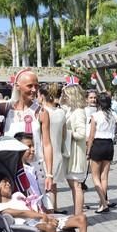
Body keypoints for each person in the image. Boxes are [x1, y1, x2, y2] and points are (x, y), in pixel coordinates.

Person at [0, 177, 101, 232]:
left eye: (8, 182)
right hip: (26, 227)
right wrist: (42, 217)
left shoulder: (17, 195)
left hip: (39, 218)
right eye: (4, 182)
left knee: (81, 218)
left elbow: (31, 206)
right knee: (48, 226)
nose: (8, 184)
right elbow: (20, 212)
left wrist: (47, 216)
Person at [4, 69, 54, 209]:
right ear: (18, 86)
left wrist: (49, 173)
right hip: (12, 169)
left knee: (40, 208)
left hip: (35, 168)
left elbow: (47, 144)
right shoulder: (6, 109)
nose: (34, 90)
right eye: (30, 86)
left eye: (36, 86)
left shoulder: (41, 112)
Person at [60, 83, 87, 215]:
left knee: (76, 185)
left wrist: (67, 133)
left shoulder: (79, 112)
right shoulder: (71, 110)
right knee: (73, 185)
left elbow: (82, 134)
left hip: (76, 153)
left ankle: (78, 214)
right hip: (71, 152)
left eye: (66, 94)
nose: (64, 96)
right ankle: (77, 214)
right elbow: (60, 105)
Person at [39, 84, 67, 212]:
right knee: (53, 184)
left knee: (43, 185)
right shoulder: (61, 112)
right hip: (57, 152)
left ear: (42, 96)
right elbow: (65, 134)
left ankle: (47, 209)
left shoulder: (41, 112)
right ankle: (54, 208)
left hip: (43, 152)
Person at [87, 92, 116, 214]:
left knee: (95, 177)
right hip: (109, 145)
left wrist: (88, 151)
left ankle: (103, 203)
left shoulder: (95, 115)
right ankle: (102, 202)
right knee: (104, 177)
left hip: (98, 144)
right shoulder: (114, 115)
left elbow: (91, 135)